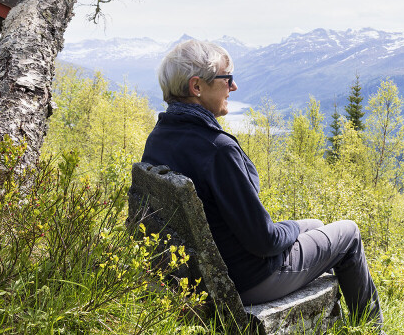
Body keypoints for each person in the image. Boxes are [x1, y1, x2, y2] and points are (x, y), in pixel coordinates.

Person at [142, 39, 382, 330]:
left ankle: (331, 320)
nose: (234, 87)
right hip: (247, 279)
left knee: (317, 224)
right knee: (350, 234)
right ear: (197, 87)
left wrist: (293, 228)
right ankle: (371, 329)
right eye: (227, 78)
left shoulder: (160, 136)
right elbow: (265, 241)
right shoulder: (217, 149)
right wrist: (292, 227)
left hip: (200, 274)